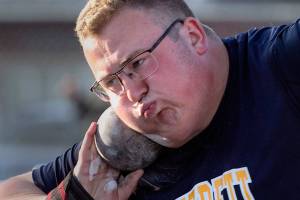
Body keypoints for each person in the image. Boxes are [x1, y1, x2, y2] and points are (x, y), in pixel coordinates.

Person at [0, 0, 299, 199]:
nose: (132, 93)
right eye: (112, 81)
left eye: (138, 63)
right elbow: (12, 190)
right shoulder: (118, 148)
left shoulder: (278, 64)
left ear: (193, 37)